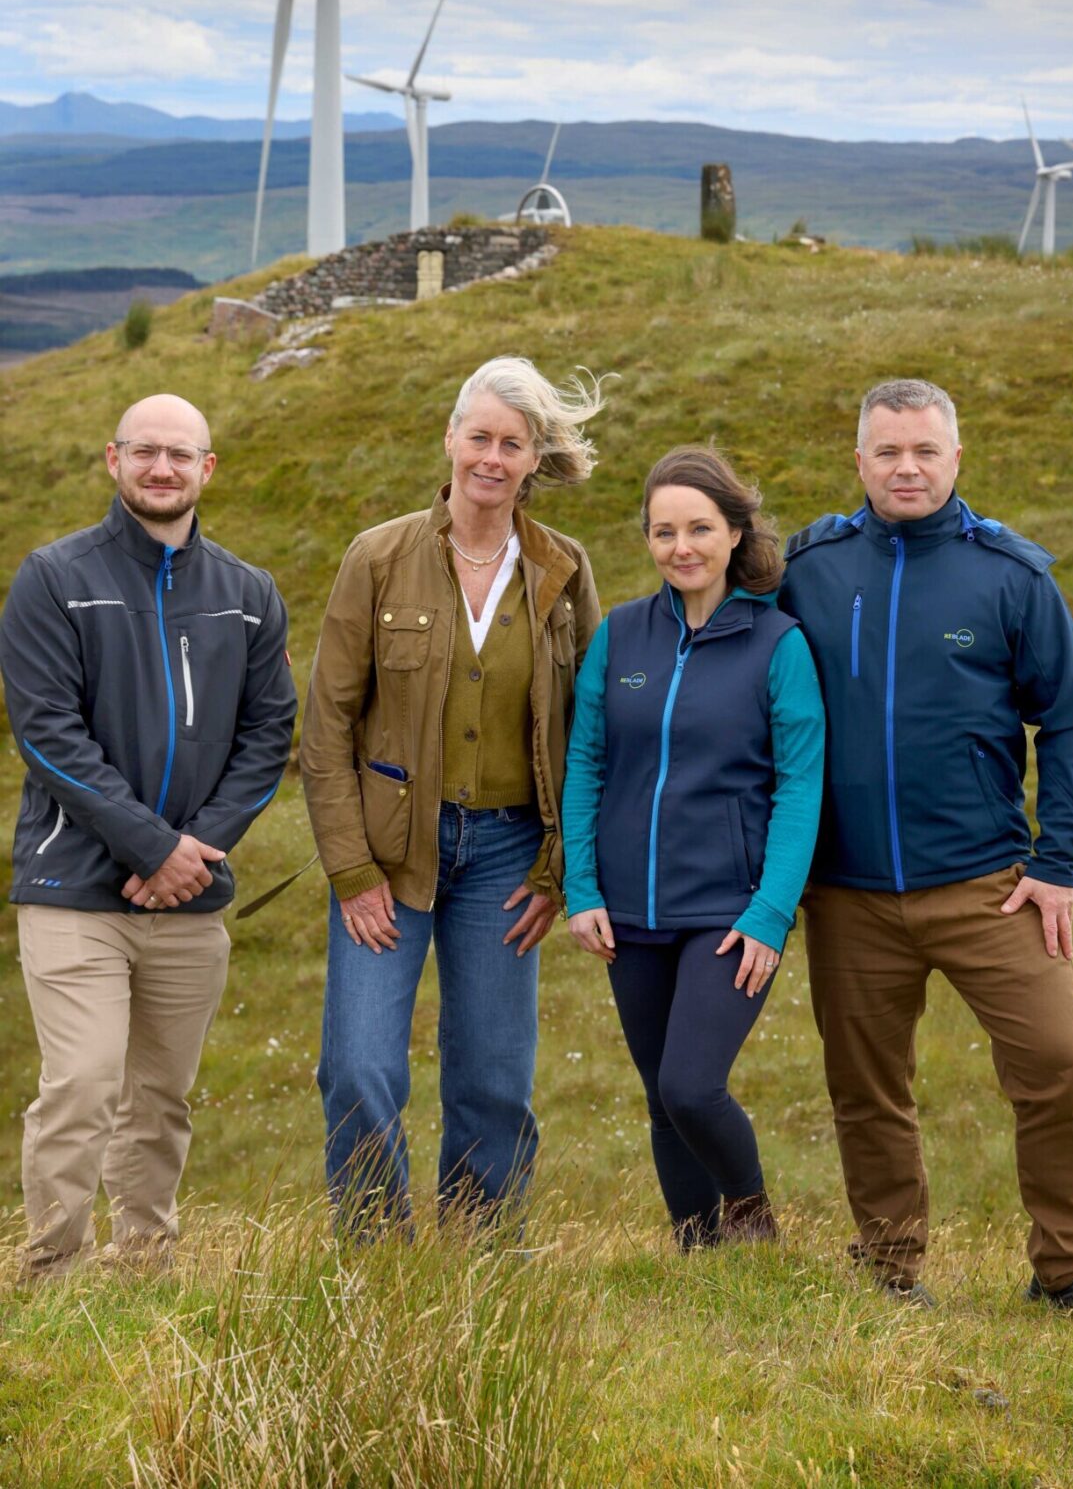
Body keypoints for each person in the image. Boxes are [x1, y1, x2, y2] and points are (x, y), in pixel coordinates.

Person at [778, 377, 1073, 1334]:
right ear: (857, 461)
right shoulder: (809, 567)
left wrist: (1057, 862)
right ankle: (890, 1268)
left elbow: (1068, 717)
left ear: (956, 459)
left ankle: (1068, 1269)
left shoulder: (1011, 575)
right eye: (888, 451)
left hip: (991, 886)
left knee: (1062, 1064)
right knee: (867, 1087)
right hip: (848, 891)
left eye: (926, 451)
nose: (908, 467)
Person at [300, 356, 603, 1229]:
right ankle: (377, 1247)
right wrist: (351, 869)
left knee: (494, 1075)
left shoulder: (563, 569)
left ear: (534, 458)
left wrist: (558, 868)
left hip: (509, 853)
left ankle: (482, 1256)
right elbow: (326, 730)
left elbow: (589, 734)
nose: (493, 457)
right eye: (480, 436)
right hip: (392, 855)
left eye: (513, 443)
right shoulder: (379, 557)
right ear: (451, 438)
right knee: (358, 1065)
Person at [0, 394, 296, 1280]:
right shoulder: (53, 578)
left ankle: (142, 1268)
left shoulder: (248, 596)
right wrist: (150, 849)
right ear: (113, 460)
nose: (161, 467)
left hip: (188, 900)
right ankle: (49, 1272)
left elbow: (267, 733)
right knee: (84, 1085)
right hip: (71, 891)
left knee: (160, 1098)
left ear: (208, 468)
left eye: (180, 453)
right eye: (144, 452)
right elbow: (48, 733)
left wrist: (192, 851)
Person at [564, 447, 825, 1249]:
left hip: (728, 912)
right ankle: (696, 1247)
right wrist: (581, 888)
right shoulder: (619, 636)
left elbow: (801, 786)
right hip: (628, 910)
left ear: (736, 530)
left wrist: (771, 913)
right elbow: (585, 761)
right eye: (663, 531)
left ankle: (751, 1215)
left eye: (700, 528)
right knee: (659, 1094)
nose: (682, 547)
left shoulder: (778, 642)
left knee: (691, 1083)